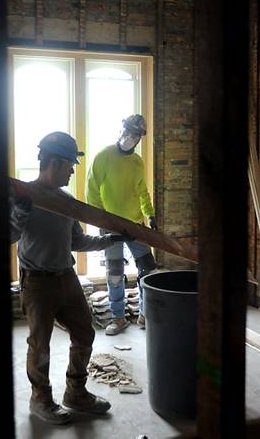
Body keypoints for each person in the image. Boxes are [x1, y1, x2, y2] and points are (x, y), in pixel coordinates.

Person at [10, 131, 129, 425]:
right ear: (53, 162)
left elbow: (76, 240)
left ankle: (75, 392)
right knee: (40, 344)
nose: (73, 170)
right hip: (37, 282)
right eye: (69, 165)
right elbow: (8, 235)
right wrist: (19, 214)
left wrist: (109, 240)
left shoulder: (66, 201)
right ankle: (41, 399)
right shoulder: (24, 195)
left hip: (67, 277)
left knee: (85, 333)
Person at [86, 114, 159, 336]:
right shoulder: (104, 156)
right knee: (115, 272)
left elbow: (142, 191)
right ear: (121, 130)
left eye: (136, 135)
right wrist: (100, 218)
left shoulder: (137, 162)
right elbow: (92, 188)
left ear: (139, 139)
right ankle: (118, 318)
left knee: (148, 269)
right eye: (128, 131)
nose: (131, 137)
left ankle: (145, 314)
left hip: (135, 223)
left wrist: (150, 214)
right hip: (110, 224)